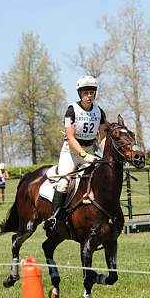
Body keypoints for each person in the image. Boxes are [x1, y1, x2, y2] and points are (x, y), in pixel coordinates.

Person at [43, 75, 106, 232]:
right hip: (71, 152)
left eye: (92, 92)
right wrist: (84, 155)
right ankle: (53, 218)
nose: (89, 95)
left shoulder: (100, 112)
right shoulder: (71, 111)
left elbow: (103, 137)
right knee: (64, 182)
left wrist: (105, 156)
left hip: (91, 150)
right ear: (80, 94)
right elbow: (70, 137)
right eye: (85, 92)